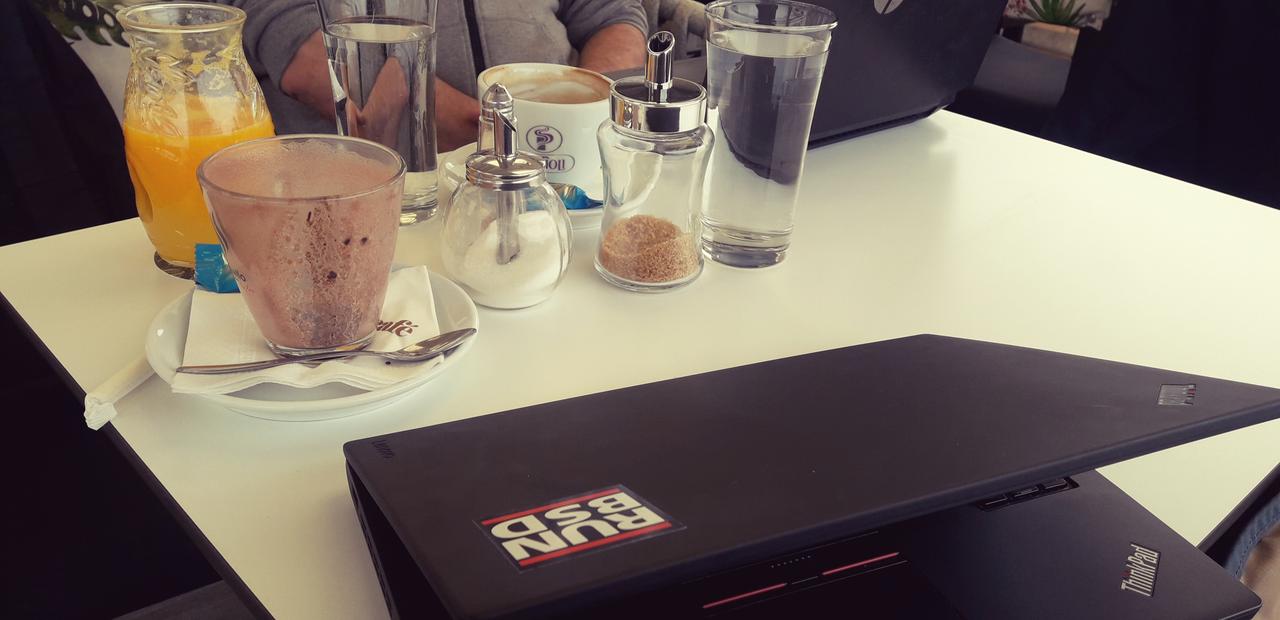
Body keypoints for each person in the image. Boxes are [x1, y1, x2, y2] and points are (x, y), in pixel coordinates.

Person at [219, 0, 648, 151]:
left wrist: (578, 121)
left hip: (564, 168)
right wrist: (498, 136)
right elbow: (304, 51)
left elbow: (615, 18)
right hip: (377, 195)